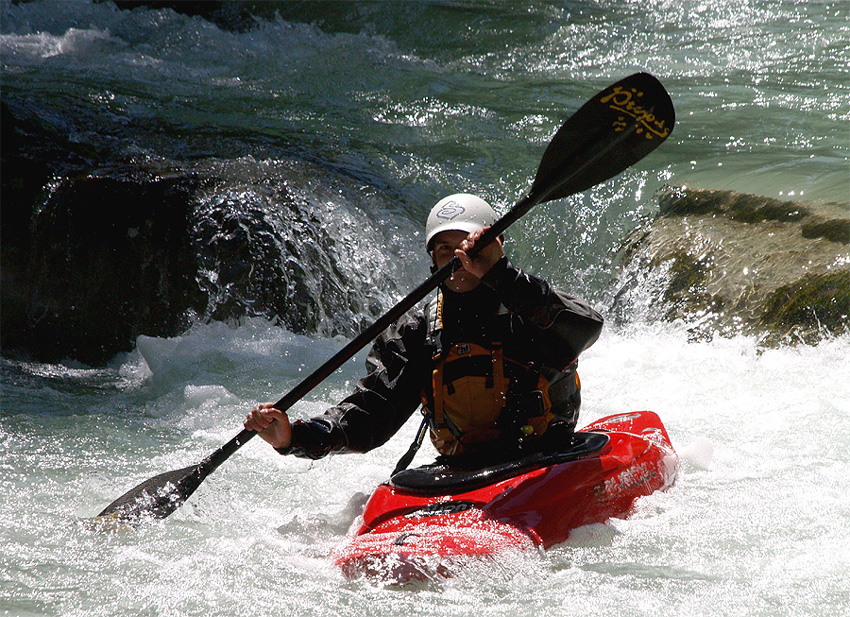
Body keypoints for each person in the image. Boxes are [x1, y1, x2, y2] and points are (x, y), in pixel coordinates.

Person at [244, 194, 604, 466]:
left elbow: (586, 328)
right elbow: (372, 414)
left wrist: (502, 274)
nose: (457, 259)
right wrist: (295, 436)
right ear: (432, 258)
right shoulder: (416, 331)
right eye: (444, 249)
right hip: (464, 469)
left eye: (469, 247)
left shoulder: (531, 307)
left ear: (494, 250)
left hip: (545, 458)